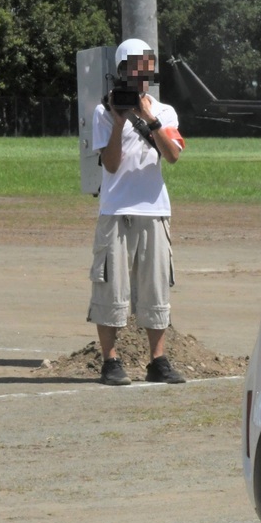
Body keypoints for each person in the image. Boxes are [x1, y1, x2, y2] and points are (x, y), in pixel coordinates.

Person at [88, 38, 187, 386]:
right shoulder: (103, 111)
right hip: (116, 210)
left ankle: (157, 361)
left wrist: (148, 117)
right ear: (121, 71)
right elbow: (111, 165)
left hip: (154, 211)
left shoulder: (165, 111)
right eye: (134, 69)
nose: (141, 77)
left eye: (146, 68)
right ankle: (110, 361)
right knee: (111, 288)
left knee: (156, 287)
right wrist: (119, 121)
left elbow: (174, 155)